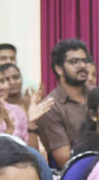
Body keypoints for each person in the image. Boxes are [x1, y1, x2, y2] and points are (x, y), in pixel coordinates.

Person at [36, 38, 92, 169]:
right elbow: (64, 159)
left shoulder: (98, 95)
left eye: (84, 61)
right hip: (76, 173)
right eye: (74, 62)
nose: (82, 65)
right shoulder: (50, 106)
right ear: (59, 69)